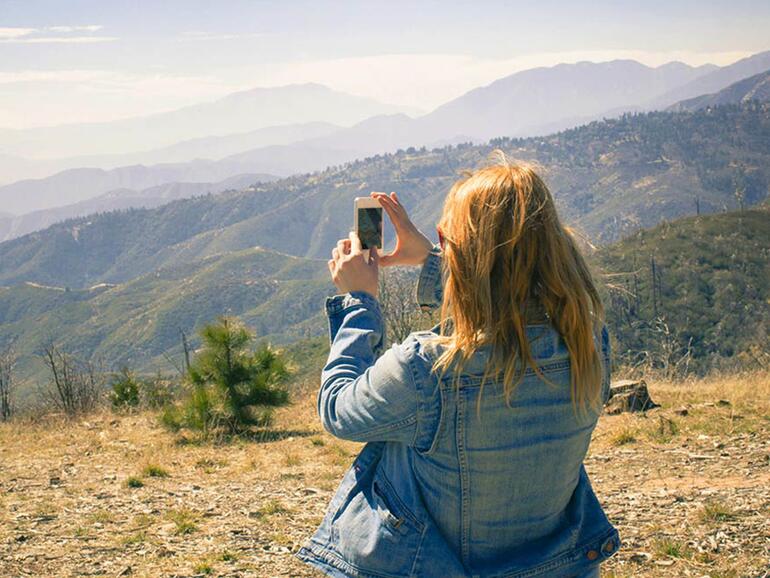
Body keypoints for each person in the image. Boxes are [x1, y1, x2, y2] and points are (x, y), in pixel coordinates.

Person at [295, 152, 620, 578]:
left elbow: (338, 409)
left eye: (445, 241)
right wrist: (431, 259)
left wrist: (360, 302)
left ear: (463, 257)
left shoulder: (426, 369)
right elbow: (505, 295)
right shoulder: (589, 344)